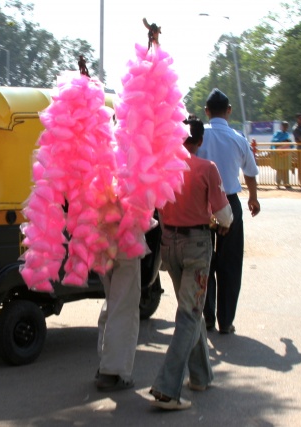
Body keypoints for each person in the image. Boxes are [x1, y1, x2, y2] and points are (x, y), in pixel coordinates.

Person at [149, 115, 233, 410]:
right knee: (188, 314)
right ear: (198, 141)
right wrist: (220, 222)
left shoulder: (162, 167)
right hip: (196, 246)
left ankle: (200, 376)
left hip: (168, 244)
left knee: (191, 311)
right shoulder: (206, 168)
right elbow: (224, 216)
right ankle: (167, 387)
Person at [198, 88, 260, 334]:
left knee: (204, 261)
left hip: (202, 204)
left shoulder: (199, 135)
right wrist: (253, 199)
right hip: (230, 204)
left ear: (206, 111)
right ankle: (226, 320)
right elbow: (251, 172)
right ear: (229, 111)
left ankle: (208, 317)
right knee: (230, 263)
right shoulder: (238, 138)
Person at [95, 251, 142, 391]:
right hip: (126, 246)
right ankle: (112, 373)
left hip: (101, 244)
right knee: (124, 307)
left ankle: (105, 365)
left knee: (112, 303)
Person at [271, 121, 292, 188]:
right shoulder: (277, 133)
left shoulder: (287, 134)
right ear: (281, 126)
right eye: (284, 126)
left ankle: (286, 183)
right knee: (279, 168)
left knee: (286, 168)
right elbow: (274, 141)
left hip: (286, 153)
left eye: (287, 126)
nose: (286, 128)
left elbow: (290, 143)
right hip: (278, 153)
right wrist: (283, 141)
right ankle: (278, 183)